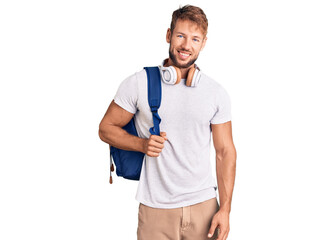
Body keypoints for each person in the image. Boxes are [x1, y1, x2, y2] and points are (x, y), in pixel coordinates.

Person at [99, 5, 236, 240]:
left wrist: (225, 209)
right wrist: (141, 145)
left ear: (203, 43)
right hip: (155, 209)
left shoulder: (215, 93)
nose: (186, 45)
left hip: (203, 206)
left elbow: (225, 152)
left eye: (195, 39)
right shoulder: (139, 83)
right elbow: (105, 128)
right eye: (181, 35)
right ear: (168, 35)